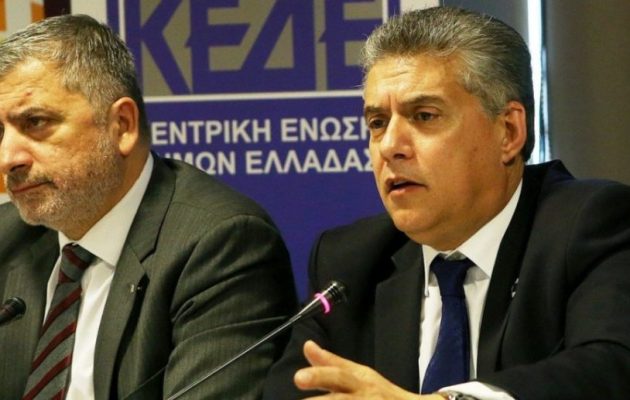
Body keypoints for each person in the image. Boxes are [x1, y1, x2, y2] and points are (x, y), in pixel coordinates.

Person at [263, 6, 630, 400]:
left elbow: (610, 366)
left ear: (508, 132)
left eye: (424, 116)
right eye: (377, 123)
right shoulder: (350, 264)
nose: (390, 146)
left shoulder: (591, 226)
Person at [0, 14, 297, 399]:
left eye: (36, 122)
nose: (8, 159)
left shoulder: (221, 244)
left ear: (122, 125)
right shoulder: (7, 238)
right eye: (0, 133)